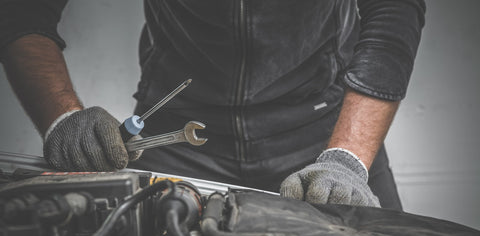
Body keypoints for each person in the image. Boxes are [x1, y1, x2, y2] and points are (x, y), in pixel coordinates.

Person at [0, 0, 425, 210]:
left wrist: (348, 159)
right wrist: (62, 118)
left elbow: (393, 10)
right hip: (178, 139)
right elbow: (22, 11)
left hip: (322, 135)